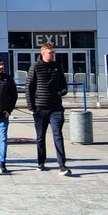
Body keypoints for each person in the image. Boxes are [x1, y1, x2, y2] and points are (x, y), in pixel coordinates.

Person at [26, 43, 71, 175]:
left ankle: (62, 165)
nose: (52, 55)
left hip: (56, 108)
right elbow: (29, 87)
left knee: (58, 135)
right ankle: (41, 162)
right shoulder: (35, 67)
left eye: (53, 52)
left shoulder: (57, 66)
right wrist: (32, 107)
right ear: (43, 54)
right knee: (40, 137)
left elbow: (64, 86)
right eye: (50, 53)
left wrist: (59, 93)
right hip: (40, 108)